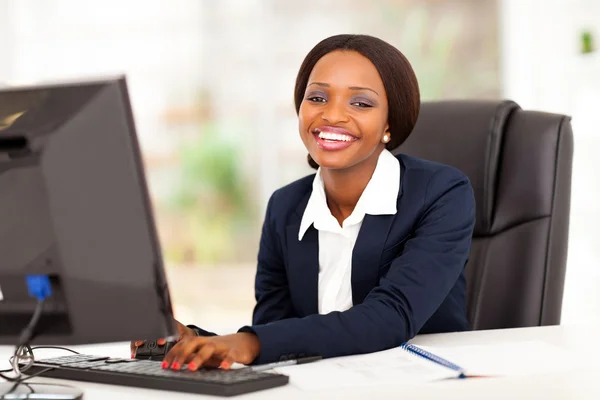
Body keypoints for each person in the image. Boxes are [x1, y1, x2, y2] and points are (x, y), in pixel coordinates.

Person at [132, 34, 475, 372]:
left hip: (423, 383)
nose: (332, 115)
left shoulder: (442, 192)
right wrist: (196, 341)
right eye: (318, 97)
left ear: (389, 123)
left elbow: (391, 317)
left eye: (360, 103)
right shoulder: (285, 208)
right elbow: (274, 331)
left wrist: (250, 343)